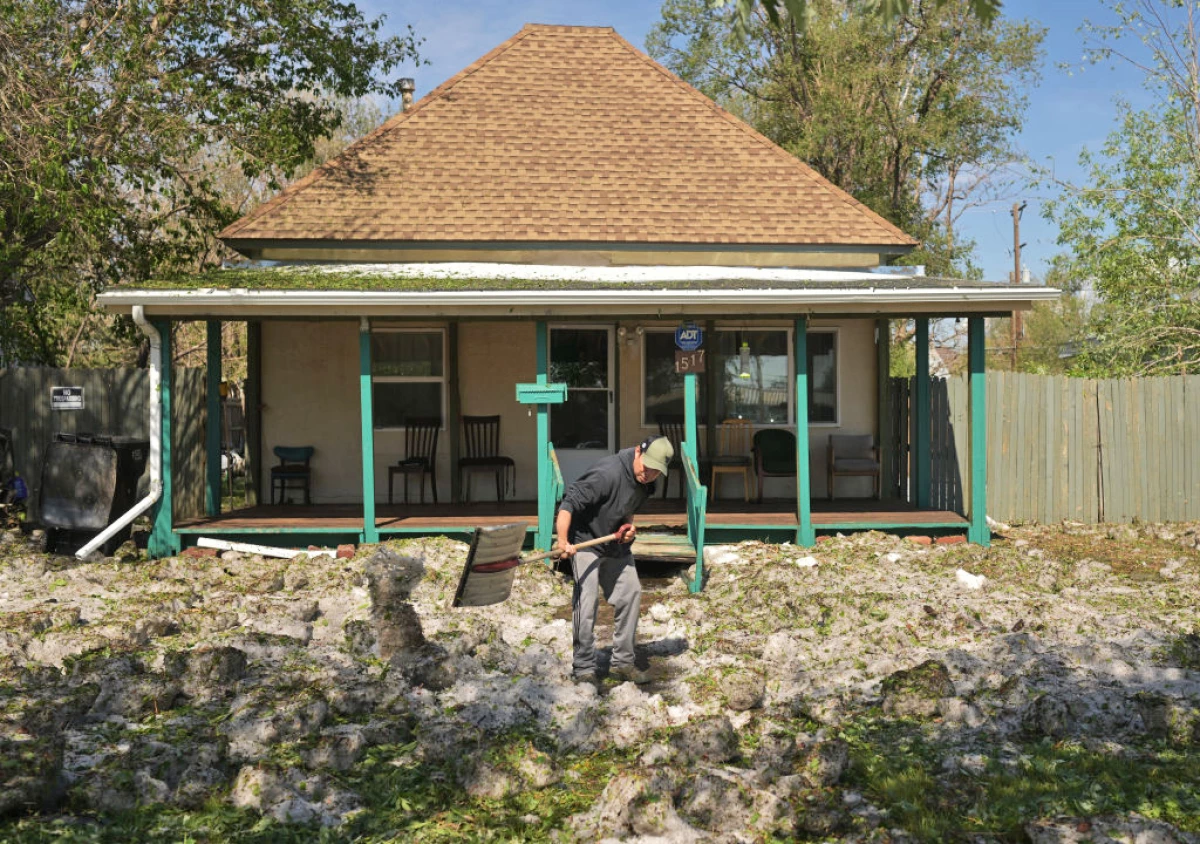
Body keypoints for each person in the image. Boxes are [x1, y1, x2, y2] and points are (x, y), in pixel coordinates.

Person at [556, 435, 675, 687]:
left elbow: (628, 508)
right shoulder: (607, 473)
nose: (649, 474)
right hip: (583, 541)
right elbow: (568, 504)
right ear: (637, 453)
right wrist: (562, 540)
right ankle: (584, 668)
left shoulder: (647, 482)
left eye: (656, 471)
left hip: (615, 544)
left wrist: (628, 527)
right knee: (586, 603)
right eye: (647, 466)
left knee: (631, 593)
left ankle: (623, 663)